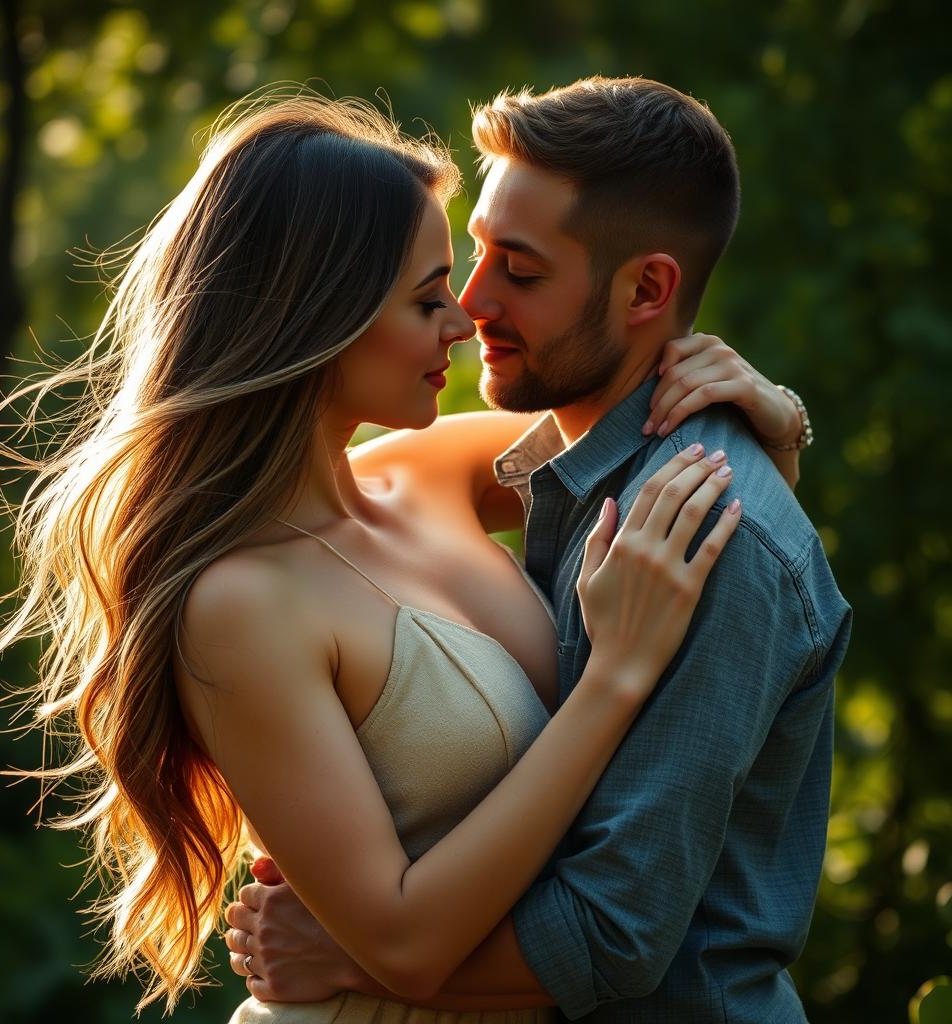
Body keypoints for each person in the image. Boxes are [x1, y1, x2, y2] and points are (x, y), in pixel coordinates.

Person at [0, 88, 800, 1020]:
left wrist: (770, 424)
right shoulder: (241, 603)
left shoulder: (428, 471)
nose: (464, 319)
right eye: (429, 296)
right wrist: (614, 678)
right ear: (315, 316)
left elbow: (659, 472)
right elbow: (405, 942)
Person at [224, 79, 852, 1022]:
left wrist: (353, 958)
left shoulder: (703, 531)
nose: (472, 305)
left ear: (647, 288)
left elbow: (608, 934)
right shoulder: (533, 465)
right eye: (462, 263)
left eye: (517, 270)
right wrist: (786, 424)